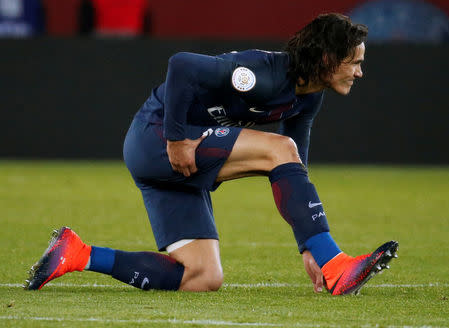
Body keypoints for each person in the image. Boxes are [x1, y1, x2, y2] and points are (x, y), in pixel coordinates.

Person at [24, 13, 398, 295]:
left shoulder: (308, 97)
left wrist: (307, 244)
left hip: (180, 153)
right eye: (354, 62)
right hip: (156, 140)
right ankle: (335, 265)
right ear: (327, 59)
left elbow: (294, 163)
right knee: (277, 148)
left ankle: (78, 254)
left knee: (202, 276)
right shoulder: (262, 75)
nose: (359, 72)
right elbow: (181, 65)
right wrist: (174, 139)